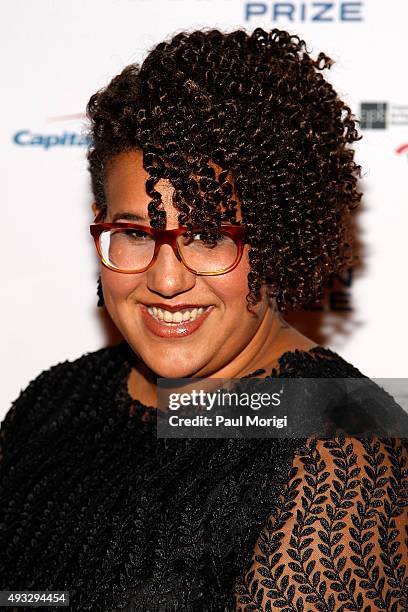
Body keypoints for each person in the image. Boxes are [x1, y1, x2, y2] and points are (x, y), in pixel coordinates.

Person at [1, 26, 407, 612]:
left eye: (208, 237)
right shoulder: (58, 398)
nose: (166, 280)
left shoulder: (343, 444)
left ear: (275, 241)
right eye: (137, 234)